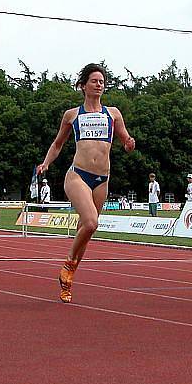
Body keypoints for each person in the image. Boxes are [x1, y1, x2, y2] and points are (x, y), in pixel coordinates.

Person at [37, 63, 135, 303]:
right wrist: (46, 163)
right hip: (78, 175)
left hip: (102, 179)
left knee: (87, 231)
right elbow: (58, 143)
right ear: (83, 85)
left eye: (102, 81)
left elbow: (125, 139)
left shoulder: (113, 113)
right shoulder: (73, 115)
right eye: (94, 81)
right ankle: (68, 264)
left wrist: (129, 143)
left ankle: (67, 282)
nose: (99, 85)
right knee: (91, 223)